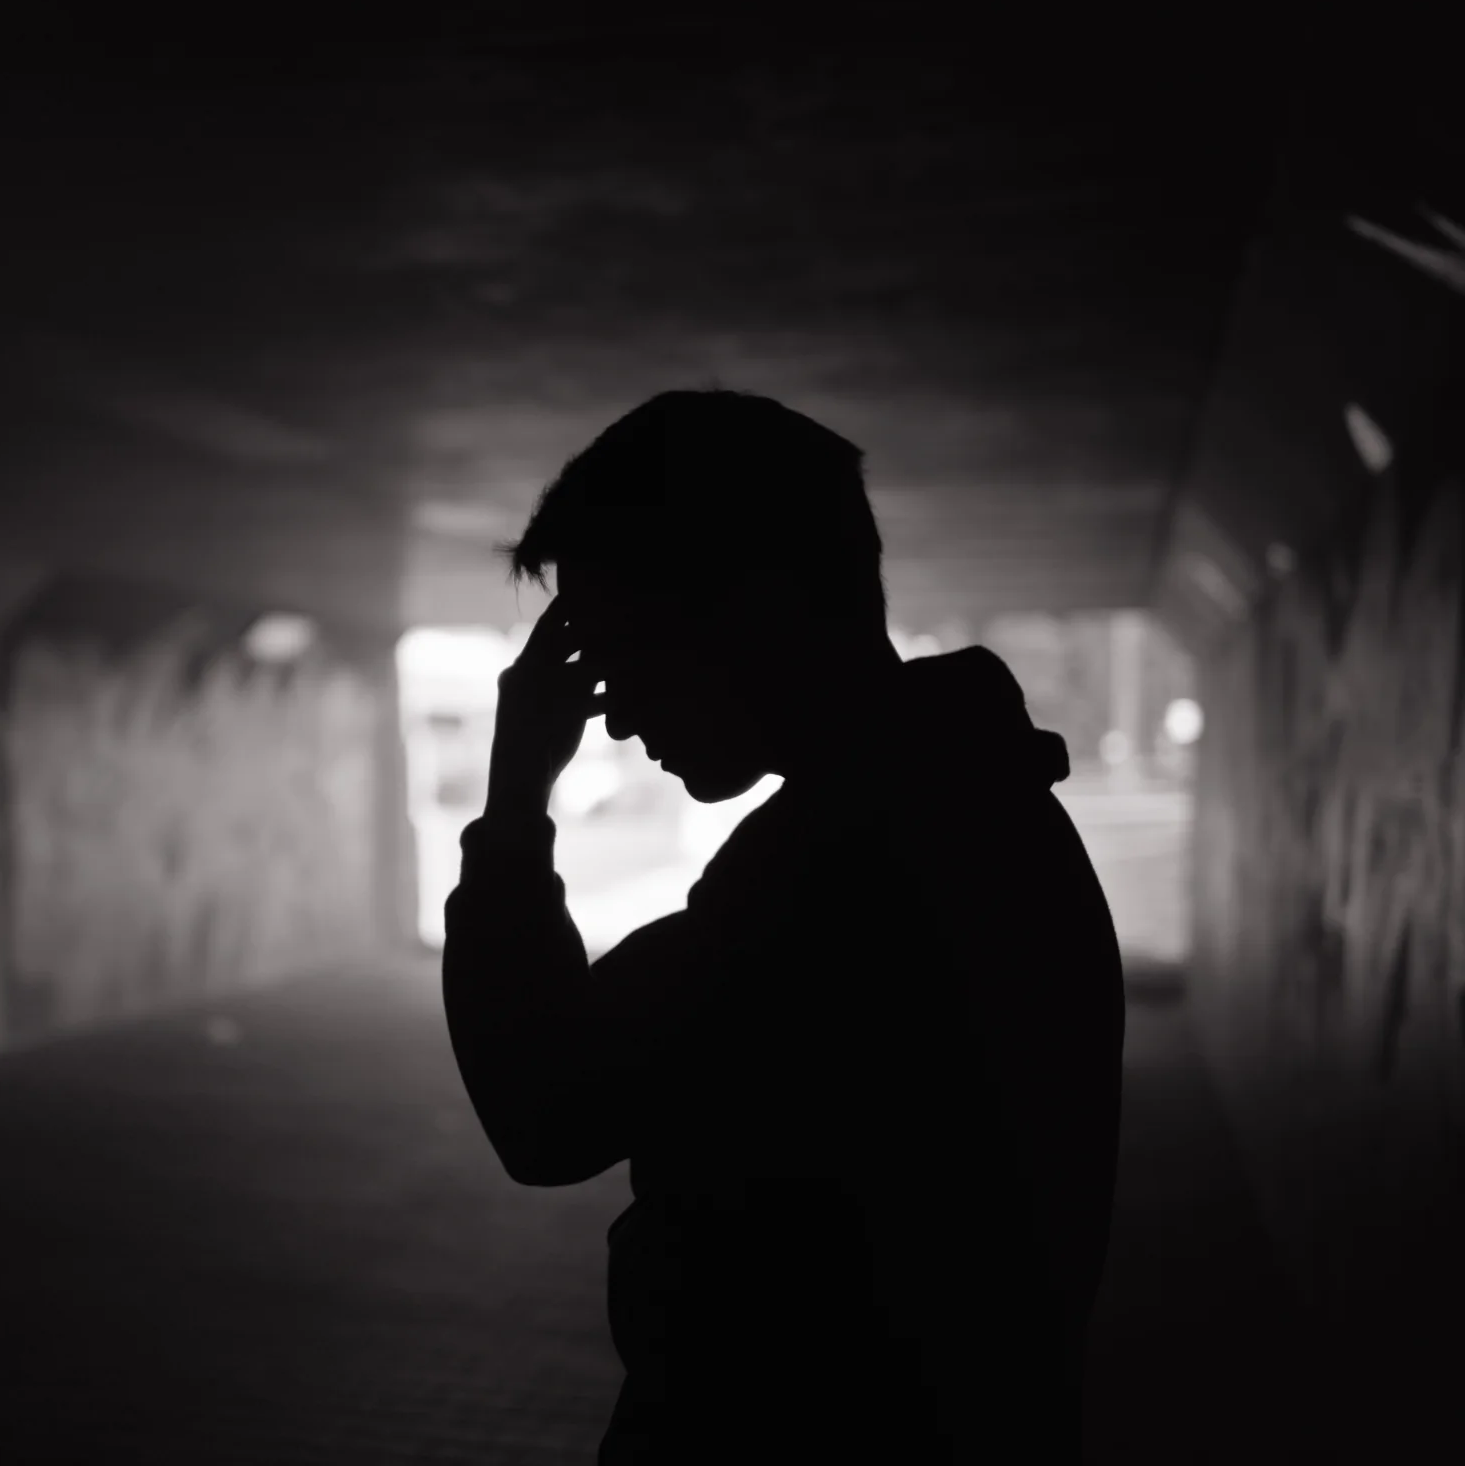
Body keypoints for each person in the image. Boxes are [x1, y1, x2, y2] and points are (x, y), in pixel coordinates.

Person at [440, 390, 1125, 1462]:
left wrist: (516, 804)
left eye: (627, 650)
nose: (612, 712)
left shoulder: (838, 868)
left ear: (748, 607)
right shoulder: (968, 806)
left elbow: (546, 1109)